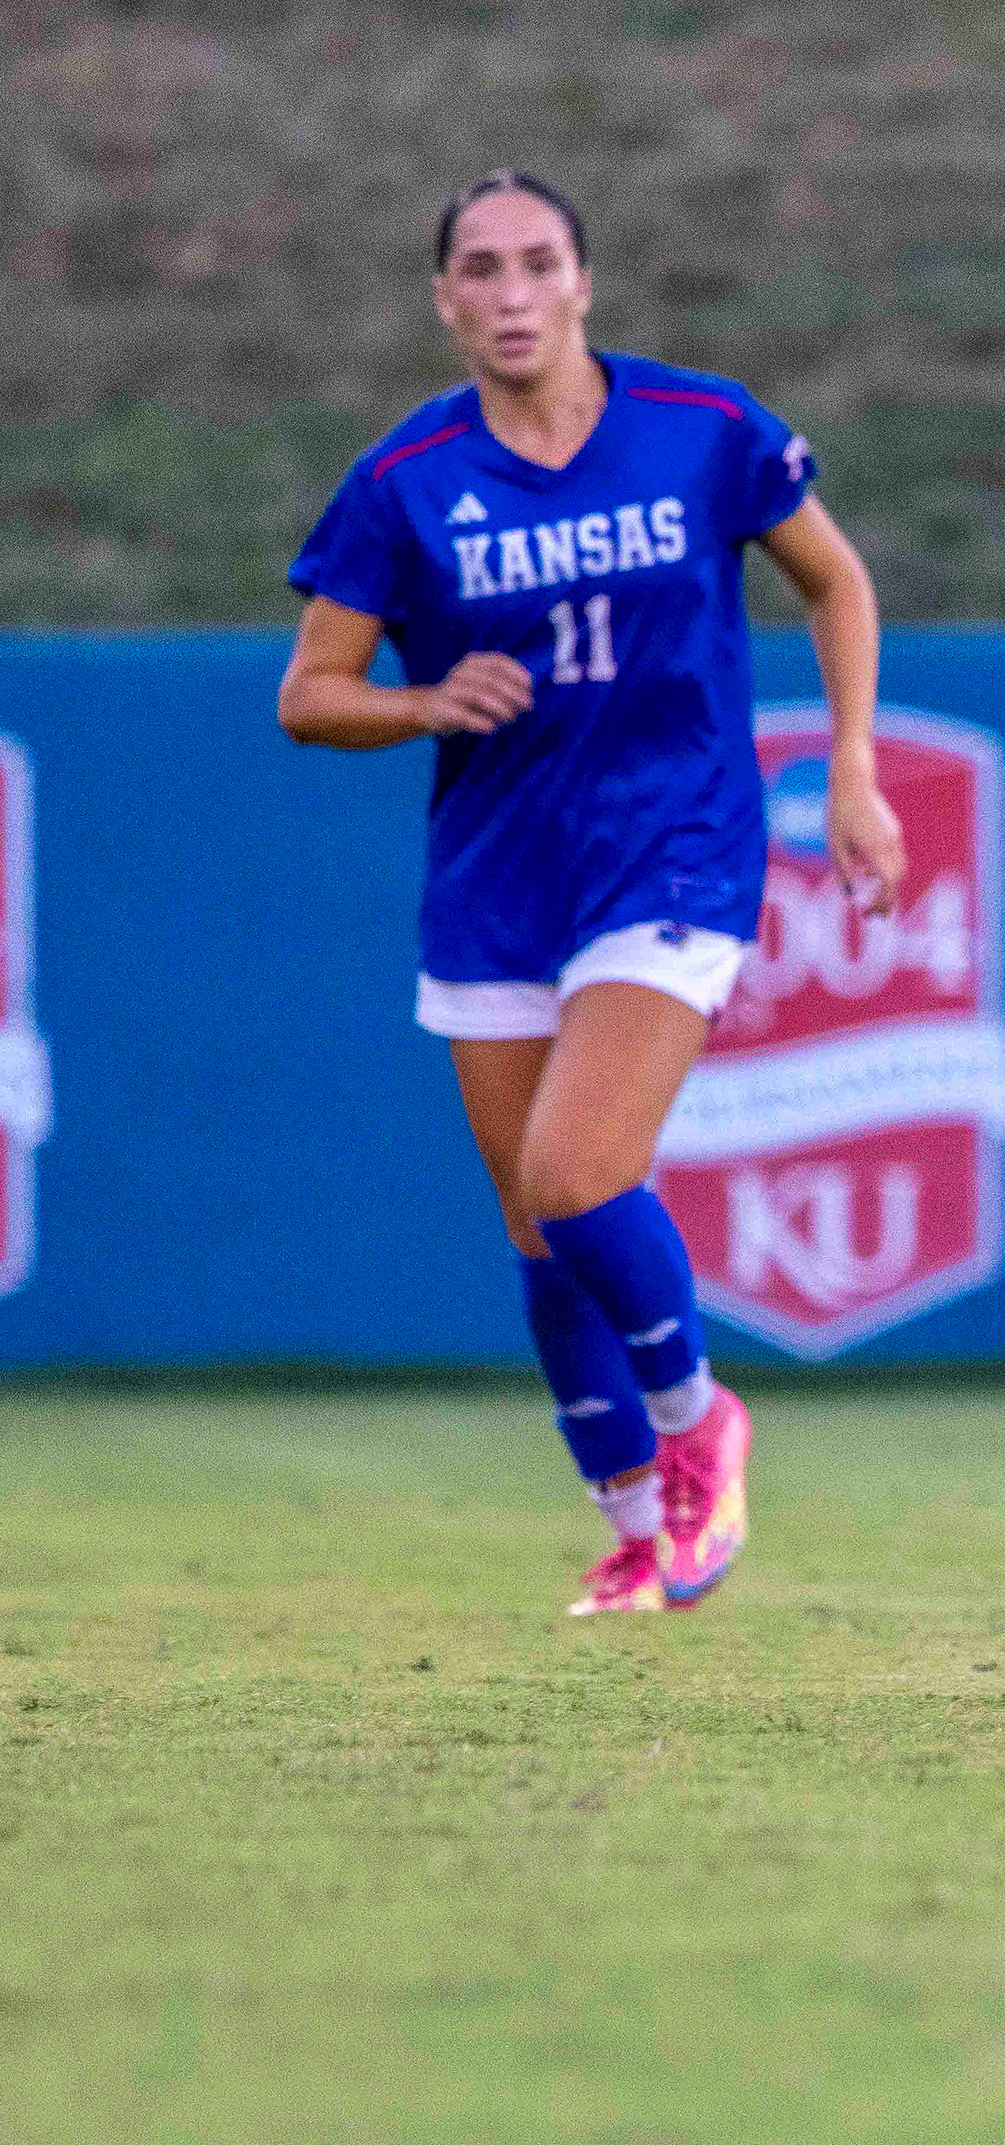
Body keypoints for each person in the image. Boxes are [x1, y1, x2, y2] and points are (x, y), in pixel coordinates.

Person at [275, 171, 902, 1615]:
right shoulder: (403, 482)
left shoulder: (700, 430)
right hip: (500, 875)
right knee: (534, 1224)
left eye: (535, 264)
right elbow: (309, 694)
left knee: (576, 1173)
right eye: (479, 270)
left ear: (583, 283)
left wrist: (855, 768)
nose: (509, 294)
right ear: (443, 299)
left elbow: (836, 582)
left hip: (672, 846)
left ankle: (699, 1422)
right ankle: (633, 1526)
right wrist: (425, 701)